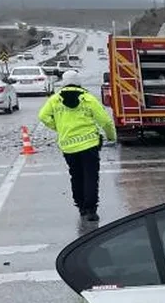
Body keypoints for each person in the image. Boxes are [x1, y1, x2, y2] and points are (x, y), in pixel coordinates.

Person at [37, 69, 116, 223]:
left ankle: (81, 207)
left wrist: (58, 127)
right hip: (89, 145)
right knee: (91, 176)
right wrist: (111, 136)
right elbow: (105, 121)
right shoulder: (87, 98)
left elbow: (43, 116)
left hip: (68, 146)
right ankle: (91, 210)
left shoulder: (55, 100)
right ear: (79, 82)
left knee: (76, 176)